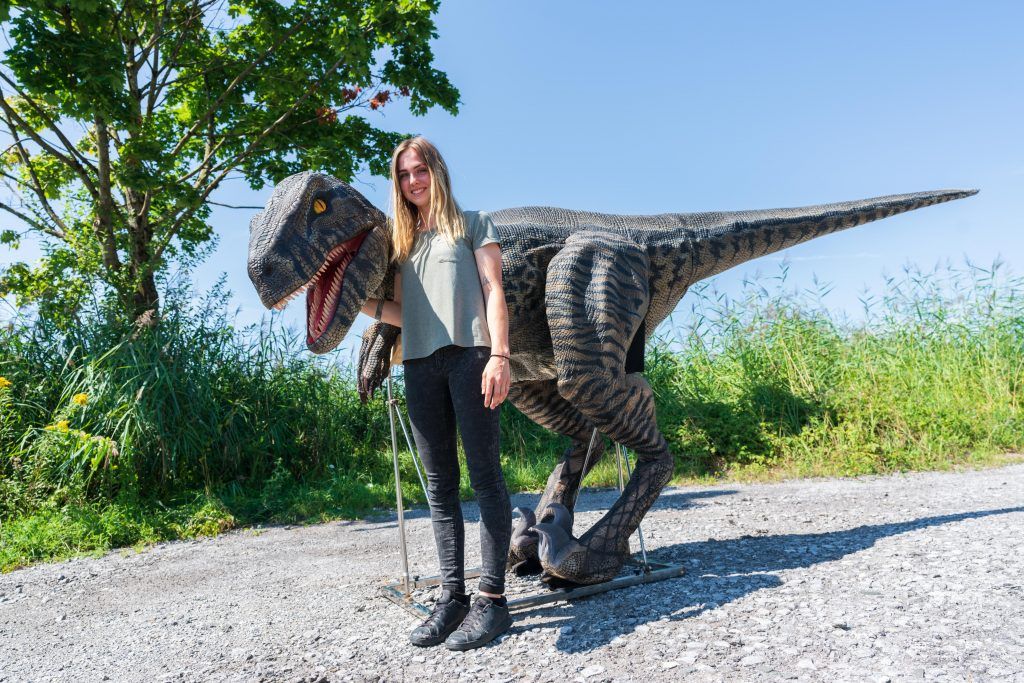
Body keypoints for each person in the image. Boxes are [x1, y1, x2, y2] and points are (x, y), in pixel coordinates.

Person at [359, 136, 513, 650]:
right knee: (440, 487)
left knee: (485, 477)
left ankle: (492, 601)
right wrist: (366, 307)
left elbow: (494, 290)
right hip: (421, 364)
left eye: (419, 170)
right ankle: (453, 599)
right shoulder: (402, 244)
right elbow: (408, 316)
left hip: (471, 356)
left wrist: (500, 356)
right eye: (403, 175)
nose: (412, 182)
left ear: (437, 171)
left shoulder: (473, 224)